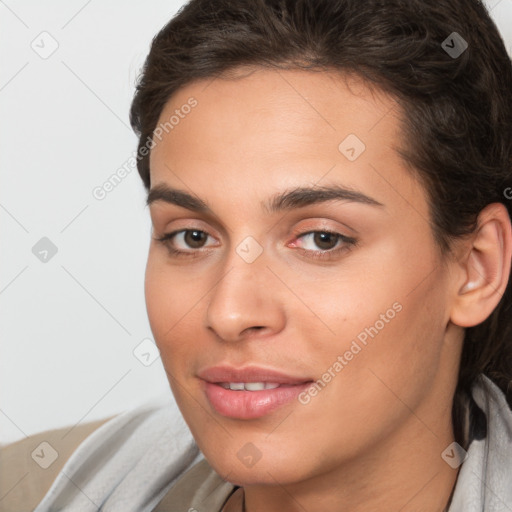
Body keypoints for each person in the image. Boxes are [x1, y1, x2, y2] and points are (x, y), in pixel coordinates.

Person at [2, 0, 512, 510]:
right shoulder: (29, 490)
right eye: (192, 237)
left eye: (321, 239)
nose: (229, 313)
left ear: (476, 268)